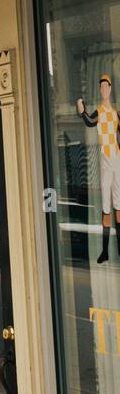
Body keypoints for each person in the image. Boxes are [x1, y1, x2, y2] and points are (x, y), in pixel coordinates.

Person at [78, 73, 120, 264]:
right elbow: (88, 121)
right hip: (105, 158)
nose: (104, 90)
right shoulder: (99, 112)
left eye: (106, 87)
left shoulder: (115, 113)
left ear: (110, 89)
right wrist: (82, 110)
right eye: (101, 87)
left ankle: (119, 249)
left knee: (118, 206)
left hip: (116, 158)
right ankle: (105, 251)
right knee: (106, 207)